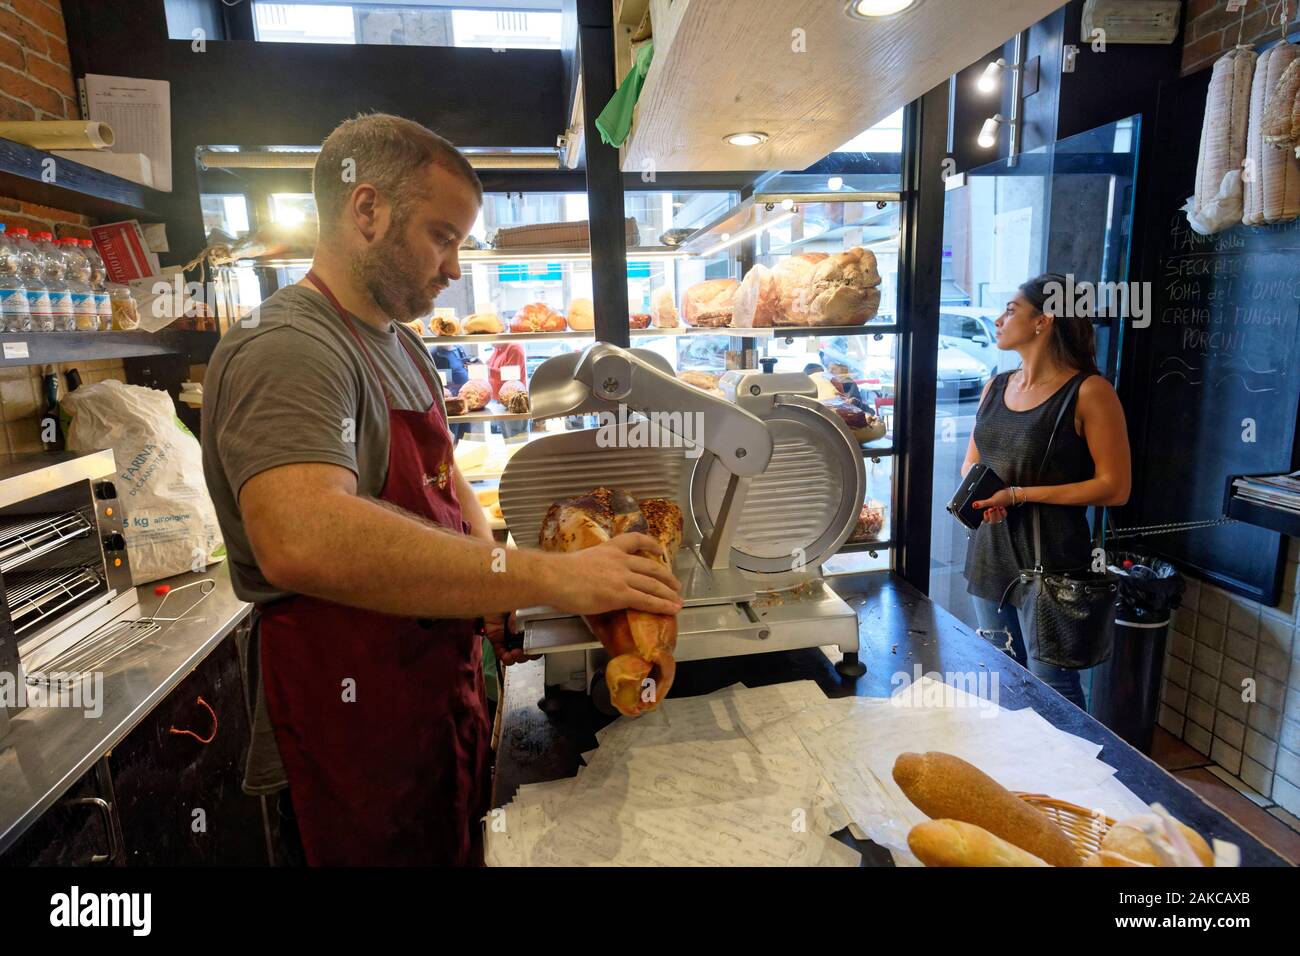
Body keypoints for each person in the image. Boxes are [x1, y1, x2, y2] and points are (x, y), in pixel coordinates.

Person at [200, 113, 682, 866]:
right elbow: (301, 539)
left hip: (433, 693)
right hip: (352, 717)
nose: (455, 267)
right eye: (442, 236)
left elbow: (445, 483)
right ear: (367, 209)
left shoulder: (401, 345)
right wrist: (553, 576)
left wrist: (494, 590)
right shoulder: (289, 347)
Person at [960, 273, 1131, 710]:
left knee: (1052, 693)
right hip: (990, 554)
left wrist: (1019, 495)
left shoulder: (1090, 392)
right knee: (1000, 681)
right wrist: (985, 499)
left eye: (1011, 310)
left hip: (1052, 564)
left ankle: (1075, 760)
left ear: (1044, 320)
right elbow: (972, 464)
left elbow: (1115, 488)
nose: (998, 320)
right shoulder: (996, 386)